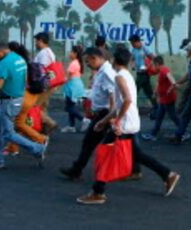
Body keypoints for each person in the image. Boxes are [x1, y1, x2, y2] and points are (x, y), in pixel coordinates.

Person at [76, 48, 181, 205]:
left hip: (124, 124)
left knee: (105, 154)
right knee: (136, 155)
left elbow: (127, 100)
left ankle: (98, 192)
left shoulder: (119, 77)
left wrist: (116, 121)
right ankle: (167, 174)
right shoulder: (127, 76)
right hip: (130, 122)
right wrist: (105, 121)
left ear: (113, 60)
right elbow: (120, 104)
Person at [0, 42, 47, 170]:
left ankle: (38, 148)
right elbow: (24, 79)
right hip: (17, 99)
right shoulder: (18, 59)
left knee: (7, 134)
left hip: (7, 102)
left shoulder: (4, 63)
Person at [60, 47, 119, 180]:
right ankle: (77, 169)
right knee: (92, 142)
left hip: (105, 114)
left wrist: (110, 117)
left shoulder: (107, 73)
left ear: (95, 58)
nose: (87, 64)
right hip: (103, 113)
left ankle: (79, 171)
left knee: (90, 142)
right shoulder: (101, 72)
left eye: (88, 61)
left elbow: (112, 95)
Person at [5, 42, 47, 156]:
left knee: (17, 123)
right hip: (33, 96)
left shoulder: (17, 64)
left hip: (25, 97)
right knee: (17, 123)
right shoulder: (26, 62)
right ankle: (13, 148)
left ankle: (41, 139)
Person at [141, 56, 181, 141]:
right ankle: (153, 134)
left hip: (168, 99)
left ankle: (182, 131)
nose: (153, 68)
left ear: (157, 64)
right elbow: (159, 83)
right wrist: (155, 93)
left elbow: (170, 77)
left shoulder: (164, 70)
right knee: (159, 116)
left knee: (173, 116)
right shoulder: (161, 71)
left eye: (154, 66)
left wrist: (173, 84)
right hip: (164, 99)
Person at [33, 32, 59, 134]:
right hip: (47, 84)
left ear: (40, 41)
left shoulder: (45, 53)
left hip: (45, 85)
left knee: (35, 106)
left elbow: (41, 70)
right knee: (42, 106)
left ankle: (51, 123)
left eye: (36, 41)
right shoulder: (47, 52)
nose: (35, 43)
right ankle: (43, 129)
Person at [129, 34, 157, 118]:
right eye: (131, 43)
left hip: (144, 74)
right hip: (139, 73)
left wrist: (147, 67)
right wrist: (133, 65)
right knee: (149, 92)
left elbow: (154, 58)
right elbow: (133, 59)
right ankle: (157, 108)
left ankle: (129, 109)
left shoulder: (144, 48)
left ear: (137, 42)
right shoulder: (134, 49)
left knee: (134, 90)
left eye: (133, 43)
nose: (132, 44)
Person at [61, 45, 87, 133]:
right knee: (71, 106)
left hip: (72, 88)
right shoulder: (76, 62)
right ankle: (71, 126)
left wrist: (58, 81)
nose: (69, 53)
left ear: (75, 54)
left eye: (71, 52)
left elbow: (67, 77)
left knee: (68, 107)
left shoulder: (73, 63)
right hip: (74, 86)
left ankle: (84, 120)